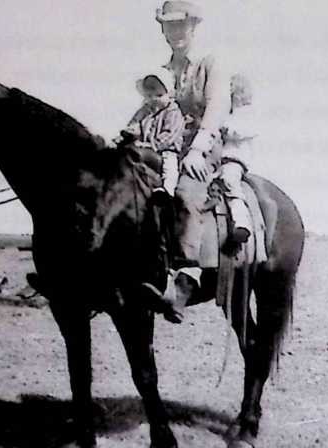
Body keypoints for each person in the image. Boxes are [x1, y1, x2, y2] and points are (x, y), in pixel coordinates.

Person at [145, 0, 232, 324]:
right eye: (169, 26)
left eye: (181, 25)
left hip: (202, 144)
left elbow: (216, 107)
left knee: (185, 190)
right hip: (168, 142)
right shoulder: (165, 71)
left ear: (194, 27)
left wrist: (196, 150)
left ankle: (187, 275)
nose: (175, 32)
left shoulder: (210, 63)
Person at [219, 71, 269, 262]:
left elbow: (244, 131)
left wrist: (225, 128)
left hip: (234, 160)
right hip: (217, 160)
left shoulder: (247, 113)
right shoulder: (227, 113)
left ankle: (241, 223)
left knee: (230, 181)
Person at [122, 68, 185, 196]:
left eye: (159, 95)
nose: (154, 99)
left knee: (170, 164)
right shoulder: (145, 111)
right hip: (145, 149)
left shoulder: (172, 111)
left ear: (170, 94)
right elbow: (135, 124)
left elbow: (169, 135)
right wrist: (130, 133)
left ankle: (167, 191)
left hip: (165, 149)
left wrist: (151, 144)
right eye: (150, 96)